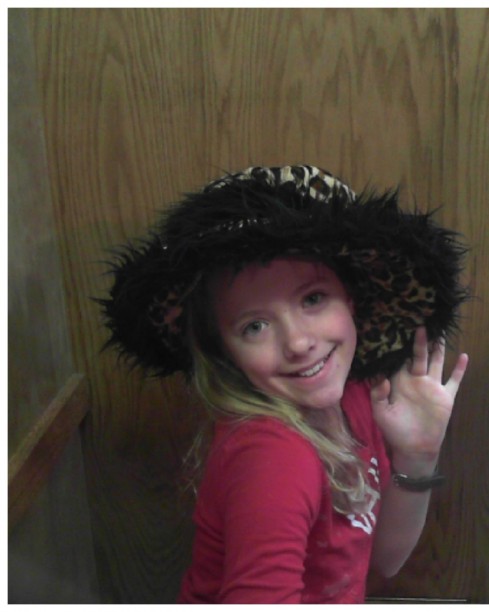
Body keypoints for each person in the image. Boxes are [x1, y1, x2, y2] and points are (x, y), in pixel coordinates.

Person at [100, 165, 469, 604]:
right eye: (254, 326)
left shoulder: (353, 396)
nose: (297, 343)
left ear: (351, 298)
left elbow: (384, 559)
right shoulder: (274, 457)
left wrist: (418, 454)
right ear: (226, 352)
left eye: (313, 299)